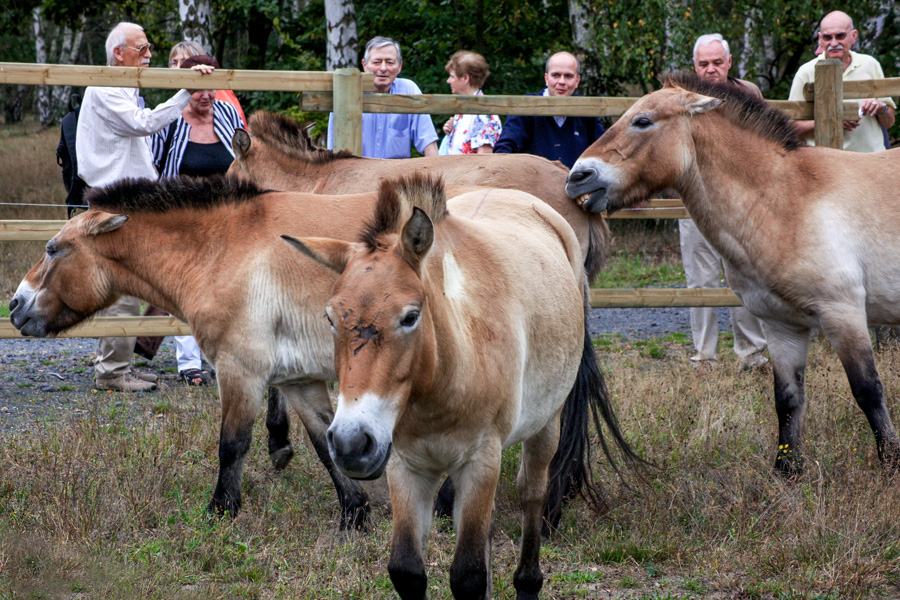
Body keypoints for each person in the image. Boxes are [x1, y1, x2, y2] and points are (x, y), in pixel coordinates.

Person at [75, 21, 215, 392]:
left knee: (128, 285)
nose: (149, 55)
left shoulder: (122, 84)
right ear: (118, 53)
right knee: (119, 288)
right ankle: (112, 373)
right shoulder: (107, 86)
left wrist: (188, 79)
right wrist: (187, 89)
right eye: (142, 49)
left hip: (130, 197)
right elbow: (145, 123)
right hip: (115, 198)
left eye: (150, 47)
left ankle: (119, 366)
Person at [148, 54, 245, 386]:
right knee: (185, 289)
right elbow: (152, 165)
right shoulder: (170, 117)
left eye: (211, 88)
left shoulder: (229, 113)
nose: (206, 96)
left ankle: (221, 356)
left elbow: (246, 159)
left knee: (223, 289)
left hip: (224, 217)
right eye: (198, 89)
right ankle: (189, 363)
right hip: (180, 218)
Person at [680, 33, 768, 370]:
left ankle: (752, 352)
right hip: (694, 200)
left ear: (729, 62)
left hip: (740, 201)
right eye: (704, 63)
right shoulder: (681, 98)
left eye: (717, 62)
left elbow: (765, 139)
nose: (711, 69)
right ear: (695, 66)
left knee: (744, 273)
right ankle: (704, 356)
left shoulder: (749, 93)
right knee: (699, 277)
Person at [789, 11, 895, 153]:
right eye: (827, 37)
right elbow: (792, 129)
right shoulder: (806, 72)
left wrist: (881, 108)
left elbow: (889, 122)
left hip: (870, 163)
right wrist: (833, 121)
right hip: (827, 165)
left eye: (840, 36)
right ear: (820, 39)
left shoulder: (870, 64)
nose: (834, 43)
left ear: (854, 36)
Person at [326, 36, 438, 158]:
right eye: (377, 62)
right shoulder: (347, 93)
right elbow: (333, 148)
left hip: (396, 175)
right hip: (357, 173)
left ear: (399, 66)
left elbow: (428, 140)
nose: (383, 68)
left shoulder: (409, 90)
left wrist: (436, 173)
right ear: (365, 65)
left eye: (390, 62)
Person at [492, 51, 604, 168]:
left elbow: (604, 149)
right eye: (556, 75)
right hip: (533, 183)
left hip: (575, 185)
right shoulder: (526, 107)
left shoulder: (586, 109)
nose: (561, 82)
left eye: (568, 76)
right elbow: (503, 150)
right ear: (546, 78)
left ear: (577, 81)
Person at [439, 51, 501, 155]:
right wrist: (449, 134)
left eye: (452, 76)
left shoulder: (484, 114)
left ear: (465, 78)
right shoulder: (465, 108)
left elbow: (484, 162)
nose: (448, 81)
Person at [169, 41, 246, 125]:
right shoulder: (174, 107)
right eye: (174, 63)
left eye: (184, 62)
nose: (178, 68)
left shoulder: (220, 97)